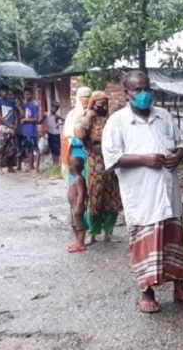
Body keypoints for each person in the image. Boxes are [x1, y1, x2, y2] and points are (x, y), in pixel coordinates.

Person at [102, 70, 183, 314]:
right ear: (127, 94)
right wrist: (144, 159)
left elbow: (181, 143)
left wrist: (177, 156)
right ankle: (147, 292)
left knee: (174, 239)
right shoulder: (117, 122)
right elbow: (112, 158)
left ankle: (179, 288)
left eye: (146, 88)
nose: (144, 94)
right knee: (145, 241)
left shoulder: (163, 116)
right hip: (141, 195)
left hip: (167, 191)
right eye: (137, 89)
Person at [75, 91, 122, 243]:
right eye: (99, 104)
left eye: (104, 104)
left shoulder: (111, 119)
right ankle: (93, 232)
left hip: (112, 161)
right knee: (95, 195)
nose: (102, 107)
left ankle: (109, 232)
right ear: (93, 104)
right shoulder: (85, 118)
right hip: (95, 161)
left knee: (112, 196)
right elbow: (81, 135)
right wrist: (89, 116)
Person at [62, 87, 92, 182]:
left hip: (92, 152)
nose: (85, 100)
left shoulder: (94, 114)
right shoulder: (72, 115)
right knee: (76, 177)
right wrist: (79, 140)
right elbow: (67, 135)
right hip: (76, 151)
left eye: (88, 97)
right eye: (82, 97)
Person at [0, 85, 18, 174]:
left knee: (12, 147)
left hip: (12, 127)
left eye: (6, 91)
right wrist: (10, 125)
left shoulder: (11, 102)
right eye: (3, 91)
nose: (5, 92)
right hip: (3, 127)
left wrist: (15, 125)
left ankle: (10, 166)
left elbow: (15, 114)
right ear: (0, 92)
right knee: (2, 147)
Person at [67, 156, 87, 253]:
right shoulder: (75, 178)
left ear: (72, 168)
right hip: (73, 206)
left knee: (79, 226)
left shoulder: (79, 179)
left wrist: (79, 206)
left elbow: (81, 193)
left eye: (69, 165)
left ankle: (81, 243)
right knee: (74, 224)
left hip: (77, 206)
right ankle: (78, 241)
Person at [21, 88, 43, 173]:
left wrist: (25, 120)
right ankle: (31, 166)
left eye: (28, 94)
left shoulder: (34, 104)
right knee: (29, 149)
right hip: (25, 130)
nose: (26, 96)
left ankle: (37, 168)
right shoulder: (25, 104)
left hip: (32, 130)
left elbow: (36, 119)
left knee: (36, 149)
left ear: (32, 95)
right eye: (25, 94)